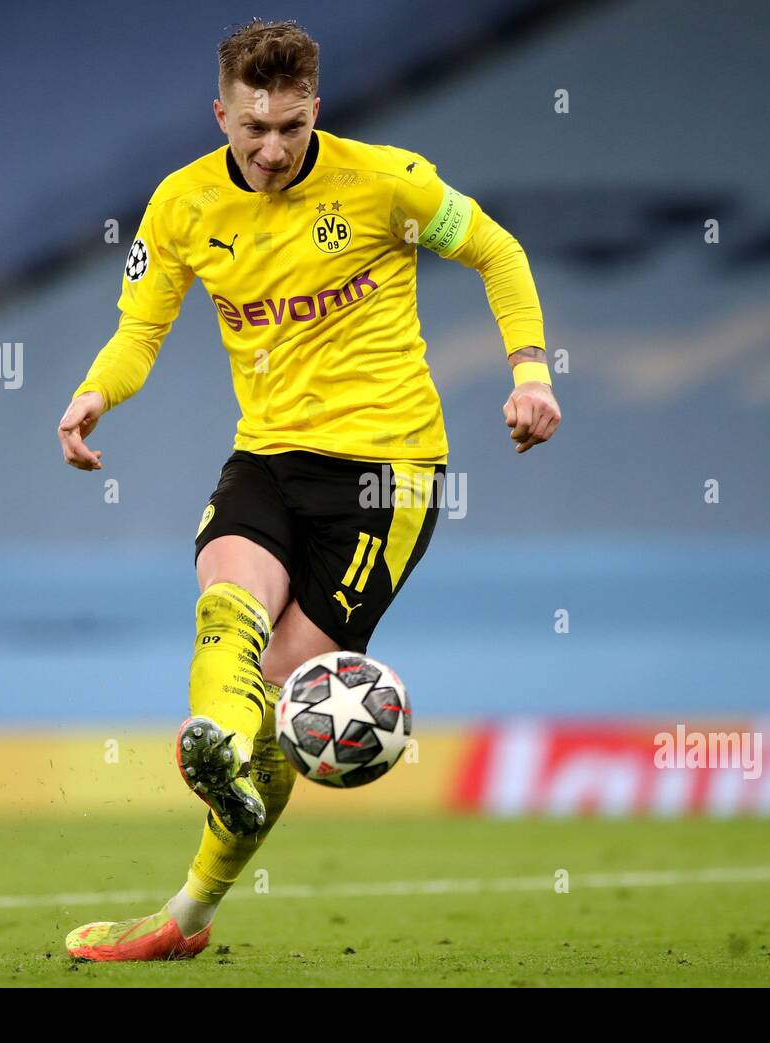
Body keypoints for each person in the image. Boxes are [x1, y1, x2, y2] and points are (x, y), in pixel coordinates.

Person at [56, 19, 559, 961]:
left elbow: (499, 251)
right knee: (225, 608)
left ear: (314, 109)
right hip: (268, 457)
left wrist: (530, 372)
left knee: (289, 700)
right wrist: (94, 395)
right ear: (222, 115)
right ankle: (218, 742)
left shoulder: (387, 184)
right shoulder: (181, 205)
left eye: (291, 125)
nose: (275, 148)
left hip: (386, 476)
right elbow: (140, 330)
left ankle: (187, 915)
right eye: (255, 129)